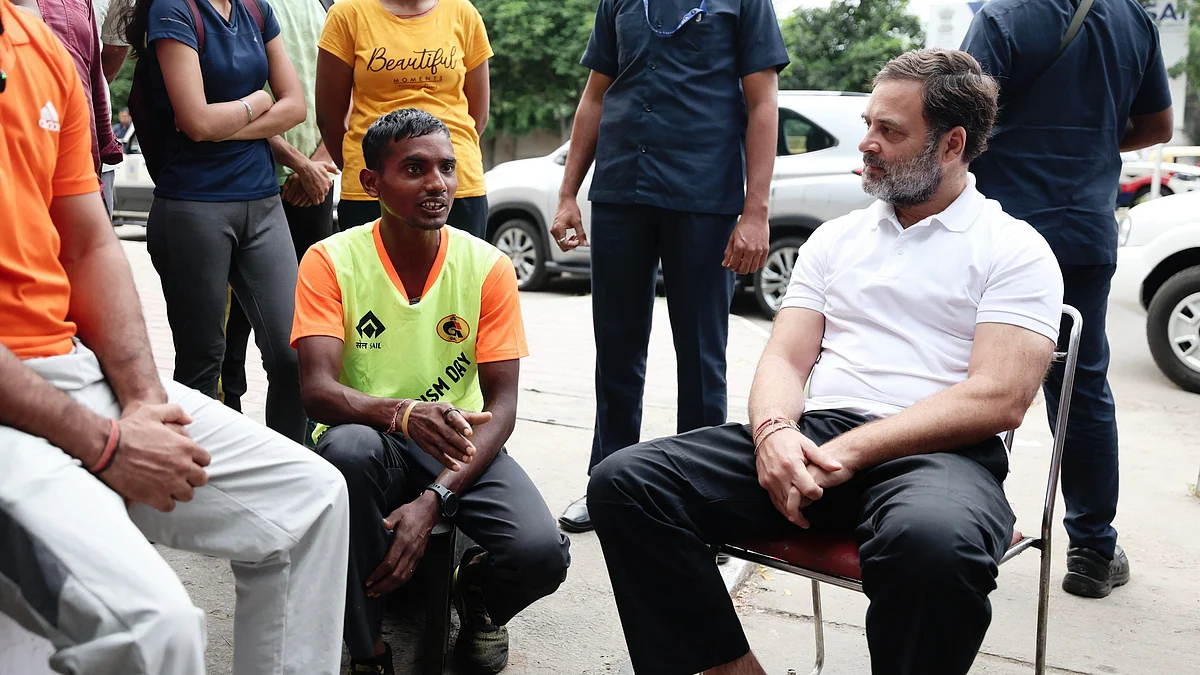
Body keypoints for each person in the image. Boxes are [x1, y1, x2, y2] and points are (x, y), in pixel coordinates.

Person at [588, 49, 1066, 675]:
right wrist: (773, 434)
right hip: (818, 438)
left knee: (933, 547)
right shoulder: (835, 238)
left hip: (942, 457)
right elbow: (785, 358)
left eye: (889, 131)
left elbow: (998, 398)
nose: (865, 143)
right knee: (628, 483)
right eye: (868, 123)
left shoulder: (1015, 250)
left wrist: (853, 453)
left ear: (952, 144)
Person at [0, 1, 350, 673]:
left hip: (72, 368)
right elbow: (200, 118)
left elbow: (89, 242)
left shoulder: (41, 49)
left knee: (312, 500)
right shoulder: (171, 13)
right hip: (18, 405)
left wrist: (139, 404)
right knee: (154, 627)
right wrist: (104, 442)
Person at [293, 109, 570, 675]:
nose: (438, 183)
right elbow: (316, 391)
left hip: (458, 443)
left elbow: (504, 405)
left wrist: (434, 500)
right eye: (414, 169)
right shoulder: (330, 260)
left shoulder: (487, 265)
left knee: (541, 555)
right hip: (369, 437)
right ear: (372, 183)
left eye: (447, 167)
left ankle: (478, 598)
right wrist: (403, 414)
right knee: (347, 452)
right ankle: (368, 654)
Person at [550, 0, 790, 533]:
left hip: (704, 198)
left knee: (702, 355)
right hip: (620, 192)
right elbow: (595, 95)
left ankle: (700, 498)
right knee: (616, 348)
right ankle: (606, 484)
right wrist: (568, 192)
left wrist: (755, 211)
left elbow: (763, 103)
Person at [961, 0, 1173, 599]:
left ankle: (964, 528)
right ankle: (1091, 551)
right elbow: (1157, 126)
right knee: (1081, 390)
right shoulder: (1134, 18)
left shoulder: (1003, 17)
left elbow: (951, 122)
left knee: (968, 377)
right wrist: (1094, 145)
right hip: (1083, 230)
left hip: (999, 233)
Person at [125, 0, 309, 442]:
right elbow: (195, 120)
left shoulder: (256, 9)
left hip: (263, 202)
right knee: (203, 361)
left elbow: (296, 106)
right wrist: (259, 103)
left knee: (295, 354)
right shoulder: (174, 10)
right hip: (194, 205)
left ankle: (289, 471)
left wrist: (222, 123)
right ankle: (203, 485)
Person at [219, 0, 338, 418]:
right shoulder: (241, 6)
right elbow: (225, 94)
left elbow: (347, 92)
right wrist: (297, 162)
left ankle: (297, 442)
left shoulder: (328, 6)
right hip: (251, 179)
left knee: (303, 328)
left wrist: (320, 164)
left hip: (313, 184)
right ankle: (226, 422)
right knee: (229, 331)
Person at [315, 0, 493, 238]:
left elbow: (478, 116)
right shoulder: (348, 14)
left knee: (460, 274)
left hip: (457, 185)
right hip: (373, 188)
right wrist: (366, 165)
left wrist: (442, 163)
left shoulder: (463, 12)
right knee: (371, 274)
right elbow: (329, 118)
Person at [15, 0, 123, 217]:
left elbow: (94, 78)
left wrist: (103, 143)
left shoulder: (81, 4)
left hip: (77, 163)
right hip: (17, 162)